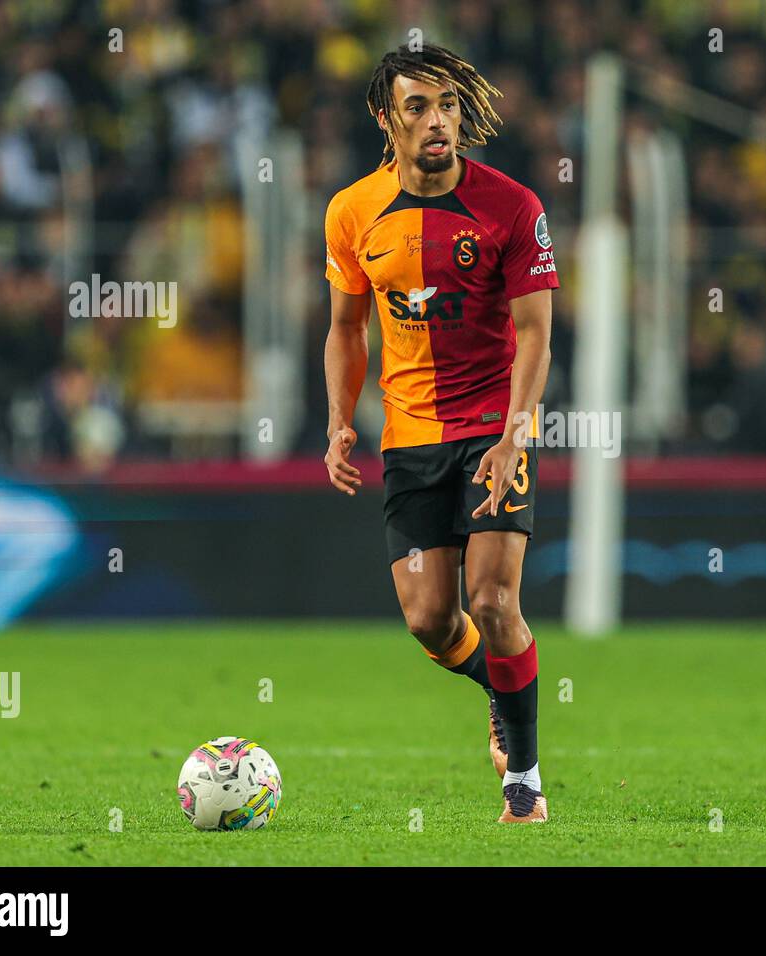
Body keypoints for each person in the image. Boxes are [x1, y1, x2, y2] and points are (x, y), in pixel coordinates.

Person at [322, 44, 558, 823]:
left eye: (449, 105)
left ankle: (523, 782)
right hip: (412, 440)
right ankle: (501, 686)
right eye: (418, 106)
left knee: (493, 600)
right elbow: (346, 328)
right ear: (384, 117)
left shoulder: (514, 207)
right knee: (429, 619)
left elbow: (536, 334)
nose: (437, 121)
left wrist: (516, 434)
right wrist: (338, 419)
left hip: (494, 430)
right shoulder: (353, 212)